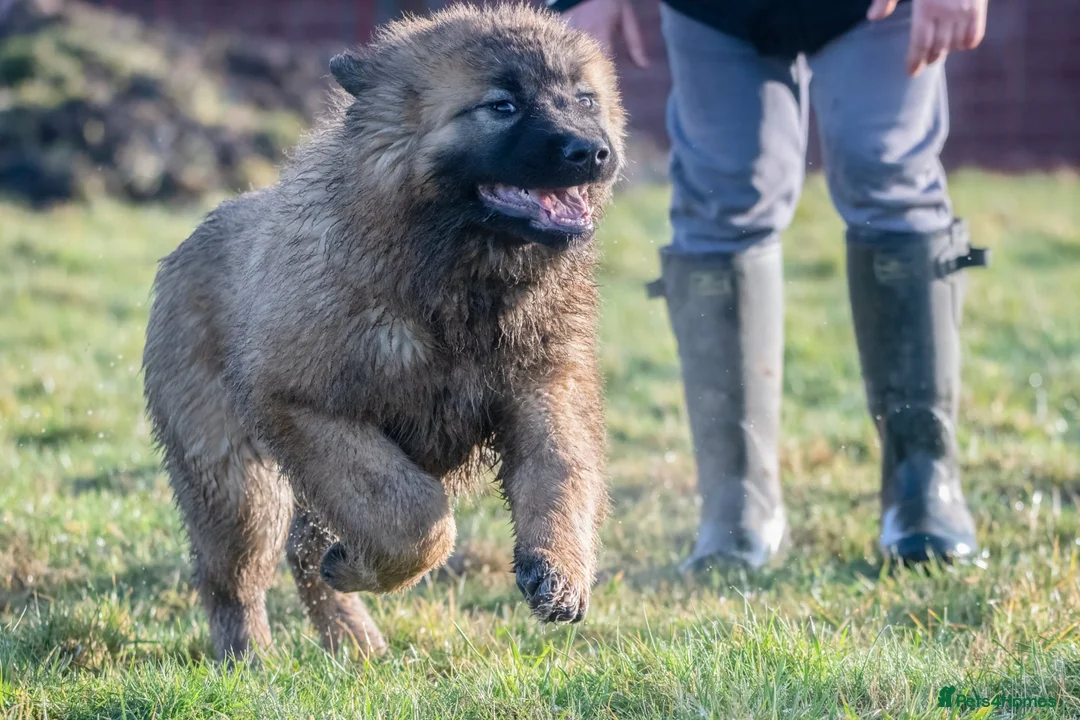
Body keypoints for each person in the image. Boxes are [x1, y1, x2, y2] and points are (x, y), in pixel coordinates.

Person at [548, 0, 991, 569]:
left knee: (886, 173)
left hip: (876, 13)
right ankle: (738, 504)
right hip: (720, 13)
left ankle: (924, 487)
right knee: (722, 198)